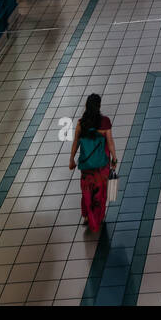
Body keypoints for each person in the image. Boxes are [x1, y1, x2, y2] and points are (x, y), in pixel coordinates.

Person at [69, 93, 117, 232]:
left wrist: (72, 160)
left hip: (87, 166)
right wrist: (114, 158)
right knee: (100, 192)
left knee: (87, 191)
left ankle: (86, 216)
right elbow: (110, 143)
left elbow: (76, 143)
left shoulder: (81, 123)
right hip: (101, 165)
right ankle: (97, 217)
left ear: (86, 106)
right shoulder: (105, 122)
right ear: (99, 106)